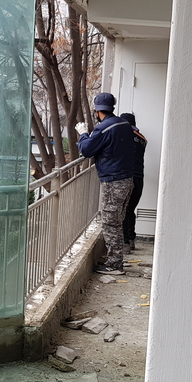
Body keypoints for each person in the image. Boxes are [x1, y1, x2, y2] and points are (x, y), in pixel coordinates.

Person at [75, 93, 135, 275]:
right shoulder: (124, 124)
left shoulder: (104, 128)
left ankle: (115, 264)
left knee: (110, 223)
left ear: (97, 111)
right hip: (127, 179)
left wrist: (83, 134)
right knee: (117, 221)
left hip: (113, 182)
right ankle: (116, 259)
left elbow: (86, 149)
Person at [119, 112, 148, 253]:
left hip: (127, 176)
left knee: (123, 210)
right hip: (139, 178)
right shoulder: (142, 139)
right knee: (130, 209)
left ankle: (125, 243)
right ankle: (131, 240)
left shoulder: (125, 136)